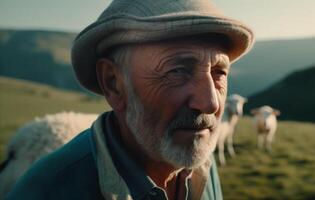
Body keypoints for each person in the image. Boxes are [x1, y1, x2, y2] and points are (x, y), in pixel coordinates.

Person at [7, 0, 253, 199]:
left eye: (219, 72)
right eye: (178, 70)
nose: (211, 103)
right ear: (114, 83)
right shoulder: (46, 192)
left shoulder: (201, 163)